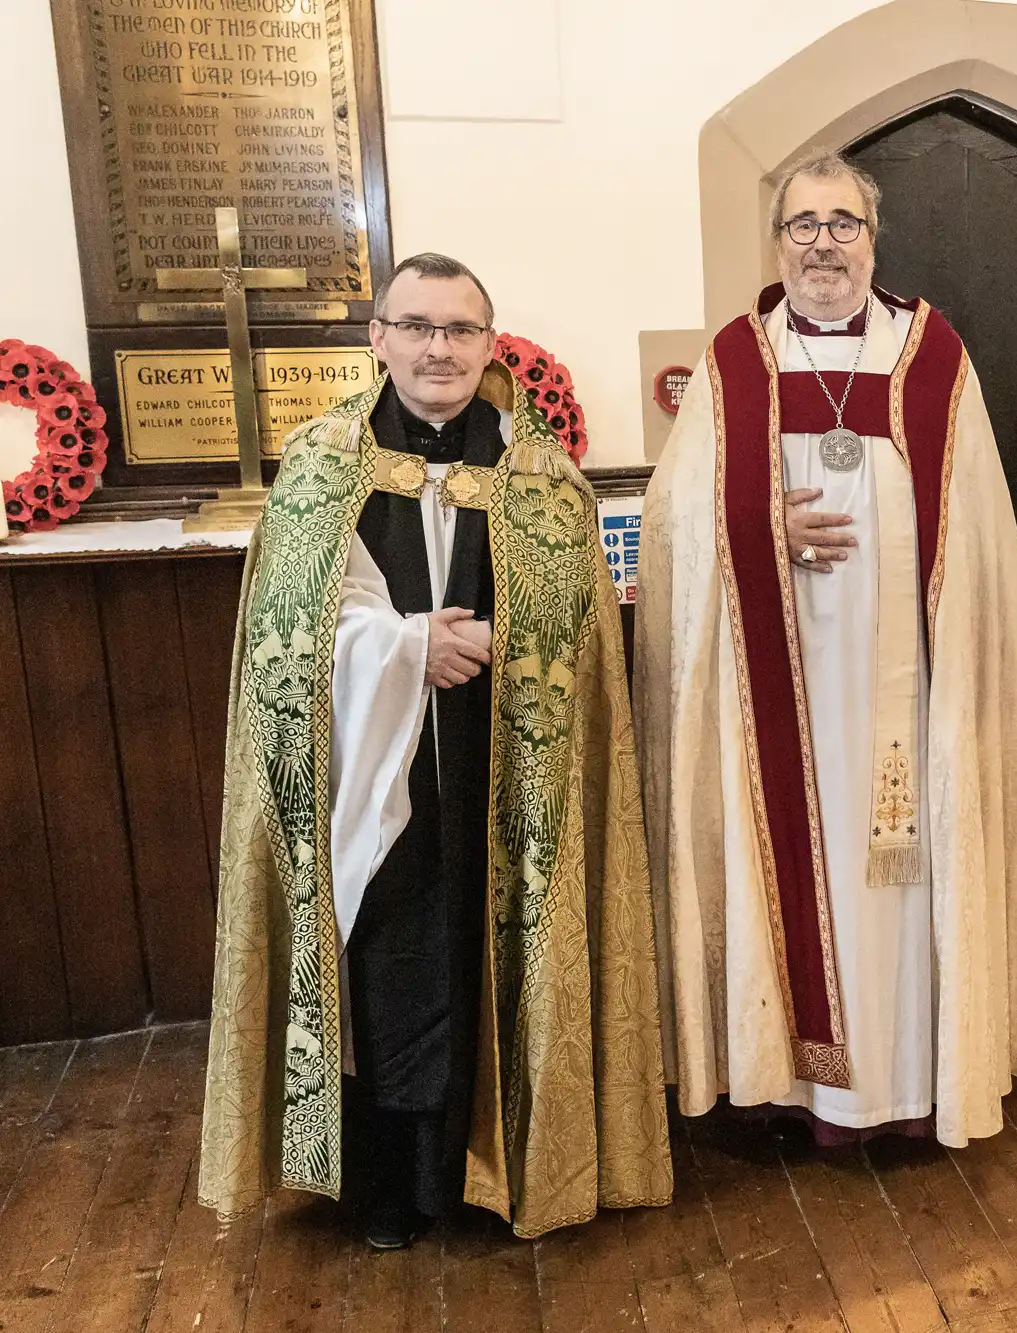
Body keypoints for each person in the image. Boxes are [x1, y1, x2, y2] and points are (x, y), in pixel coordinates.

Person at [198, 252, 673, 1247]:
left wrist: (496, 645)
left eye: (458, 330)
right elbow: (285, 634)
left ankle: (491, 1172)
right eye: (415, 326)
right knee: (386, 959)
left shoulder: (542, 477)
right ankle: (385, 1188)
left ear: (491, 347)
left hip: (506, 768)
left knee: (487, 948)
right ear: (376, 338)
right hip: (367, 772)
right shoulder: (320, 466)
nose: (436, 348)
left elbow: (578, 637)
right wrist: (410, 646)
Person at [633, 150, 1017, 1149]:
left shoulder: (931, 354)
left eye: (842, 224)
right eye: (802, 225)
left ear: (873, 239)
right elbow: (669, 525)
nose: (822, 245)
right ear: (776, 240)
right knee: (791, 854)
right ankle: (793, 1084)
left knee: (900, 865)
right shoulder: (737, 359)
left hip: (904, 685)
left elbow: (981, 529)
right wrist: (755, 526)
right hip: (770, 694)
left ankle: (911, 1082)